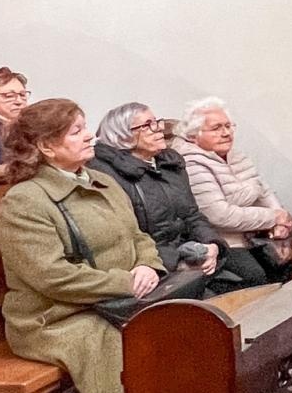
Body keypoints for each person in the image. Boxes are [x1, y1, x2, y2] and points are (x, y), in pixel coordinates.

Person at [0, 99, 165, 393]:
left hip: (115, 300)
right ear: (46, 146)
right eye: (76, 131)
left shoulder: (102, 182)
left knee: (176, 324)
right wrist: (124, 282)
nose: (90, 136)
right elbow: (50, 276)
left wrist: (147, 266)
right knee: (121, 340)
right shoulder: (25, 201)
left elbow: (139, 236)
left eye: (85, 127)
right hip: (52, 317)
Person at [89, 102, 266, 295]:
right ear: (123, 136)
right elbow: (133, 237)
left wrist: (213, 245)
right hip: (157, 262)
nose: (159, 129)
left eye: (157, 122)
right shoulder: (109, 175)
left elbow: (193, 215)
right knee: (219, 294)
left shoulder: (170, 163)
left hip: (192, 250)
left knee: (254, 275)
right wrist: (178, 261)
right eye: (147, 125)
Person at [174, 98, 292, 281]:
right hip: (226, 242)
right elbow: (220, 215)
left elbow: (264, 190)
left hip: (256, 233)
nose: (226, 133)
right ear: (194, 135)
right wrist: (272, 218)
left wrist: (280, 221)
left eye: (228, 126)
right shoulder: (190, 164)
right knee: (256, 276)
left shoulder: (236, 156)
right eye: (216, 128)